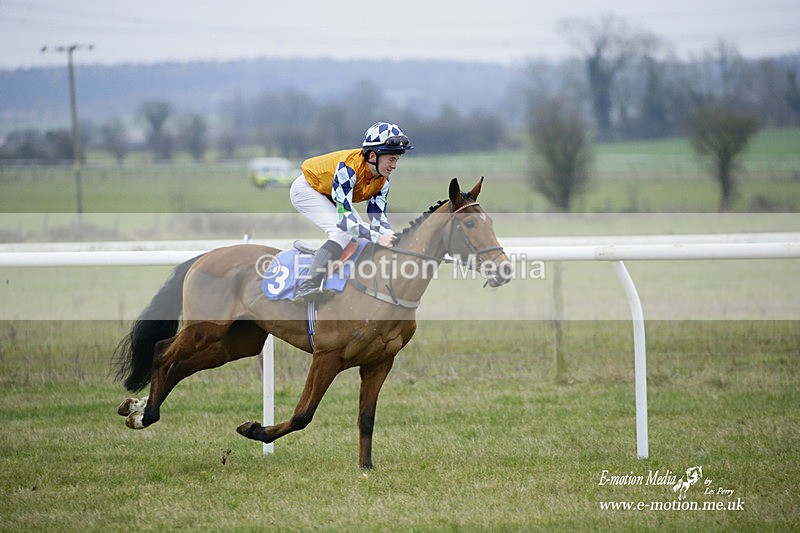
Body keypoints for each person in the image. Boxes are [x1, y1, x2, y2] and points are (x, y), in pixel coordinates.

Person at [289, 121, 413, 301]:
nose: (394, 165)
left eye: (397, 160)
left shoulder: (383, 180)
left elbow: (378, 221)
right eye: (391, 159)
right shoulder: (348, 169)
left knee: (361, 234)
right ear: (373, 155)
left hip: (328, 192)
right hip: (307, 189)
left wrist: (394, 238)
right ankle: (308, 285)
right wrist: (378, 238)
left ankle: (328, 264)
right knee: (341, 232)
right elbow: (345, 221)